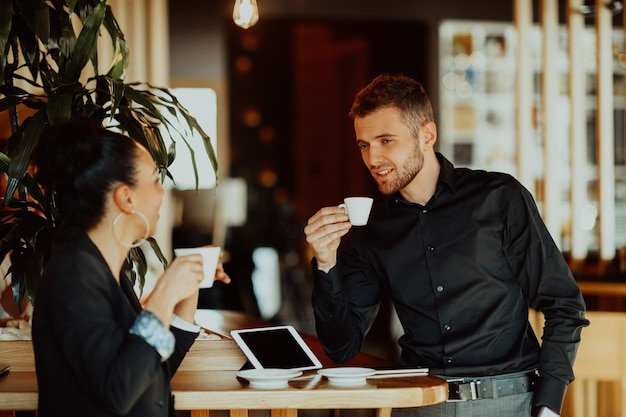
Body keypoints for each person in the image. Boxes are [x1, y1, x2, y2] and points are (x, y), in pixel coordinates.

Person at [304, 74, 589, 417]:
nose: (373, 158)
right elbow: (341, 345)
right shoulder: (373, 227)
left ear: (427, 135)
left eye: (386, 141)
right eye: (364, 145)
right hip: (421, 403)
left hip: (508, 401)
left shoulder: (499, 198)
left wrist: (549, 405)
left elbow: (563, 304)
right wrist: (325, 263)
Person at [30, 115, 230, 417]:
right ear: (125, 197)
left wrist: (185, 289)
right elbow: (118, 391)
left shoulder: (107, 272)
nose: (162, 192)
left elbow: (150, 368)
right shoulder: (74, 275)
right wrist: (162, 295)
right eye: (154, 180)